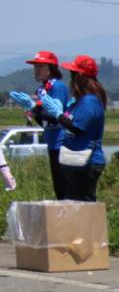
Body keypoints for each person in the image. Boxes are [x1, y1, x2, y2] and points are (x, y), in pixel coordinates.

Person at [39, 55, 107, 202]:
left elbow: (77, 127)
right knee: (72, 202)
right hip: (75, 159)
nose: (71, 78)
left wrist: (58, 114)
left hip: (87, 161)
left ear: (80, 76)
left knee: (83, 204)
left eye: (73, 74)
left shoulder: (89, 101)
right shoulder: (80, 101)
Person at [8, 51, 70, 198]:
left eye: (40, 66)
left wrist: (34, 108)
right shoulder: (42, 89)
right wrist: (33, 111)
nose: (36, 70)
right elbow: (44, 122)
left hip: (62, 143)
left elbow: (56, 117)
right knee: (58, 188)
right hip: (52, 142)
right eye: (35, 66)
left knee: (65, 189)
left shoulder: (57, 87)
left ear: (51, 68)